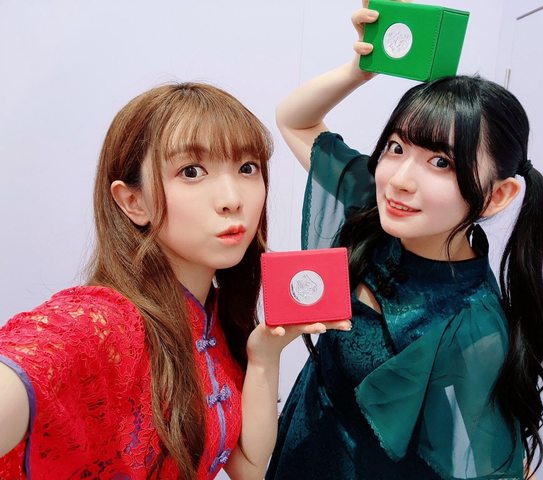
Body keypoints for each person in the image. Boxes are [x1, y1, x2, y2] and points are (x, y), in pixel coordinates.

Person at [0, 82, 351, 479]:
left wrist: (264, 357)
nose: (232, 198)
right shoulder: (99, 322)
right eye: (191, 172)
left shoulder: (213, 319)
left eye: (247, 168)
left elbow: (249, 468)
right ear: (133, 202)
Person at [266, 3, 543, 480]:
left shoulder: (472, 325)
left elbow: (493, 467)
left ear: (496, 195)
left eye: (441, 162)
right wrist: (358, 70)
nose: (399, 179)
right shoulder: (376, 208)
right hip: (301, 446)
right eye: (396, 148)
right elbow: (294, 120)